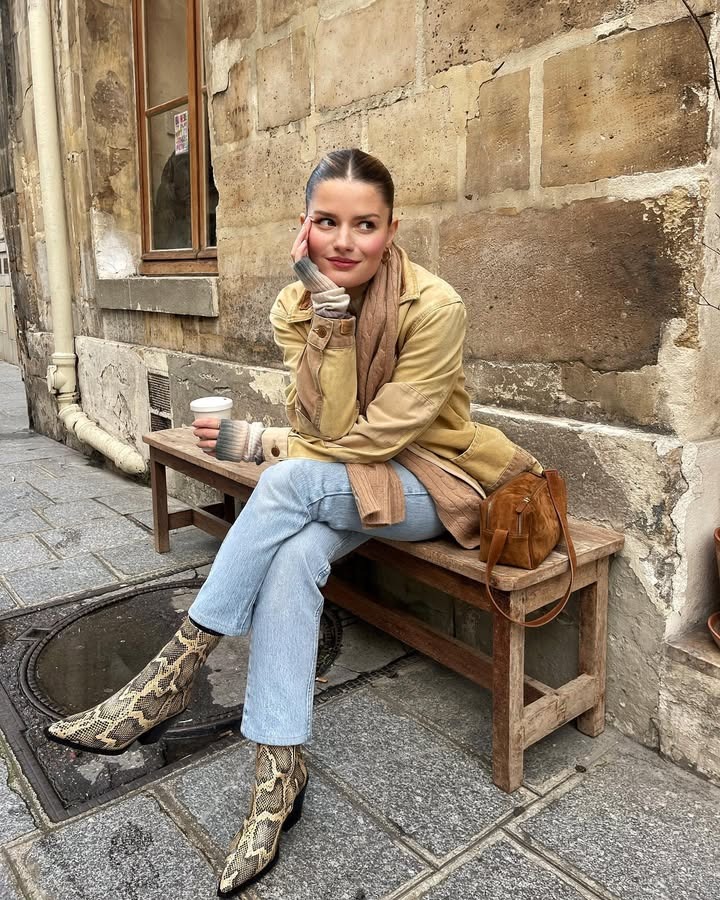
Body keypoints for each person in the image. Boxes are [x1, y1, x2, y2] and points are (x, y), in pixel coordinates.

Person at [44, 149, 542, 896]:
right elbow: (323, 423)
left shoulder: (434, 307)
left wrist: (277, 445)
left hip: (435, 483)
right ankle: (280, 775)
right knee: (293, 555)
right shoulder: (295, 306)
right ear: (303, 227)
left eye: (365, 225)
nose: (345, 242)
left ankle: (166, 682)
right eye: (327, 222)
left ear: (391, 228)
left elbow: (373, 438)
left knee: (285, 484)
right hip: (343, 481)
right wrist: (329, 318)